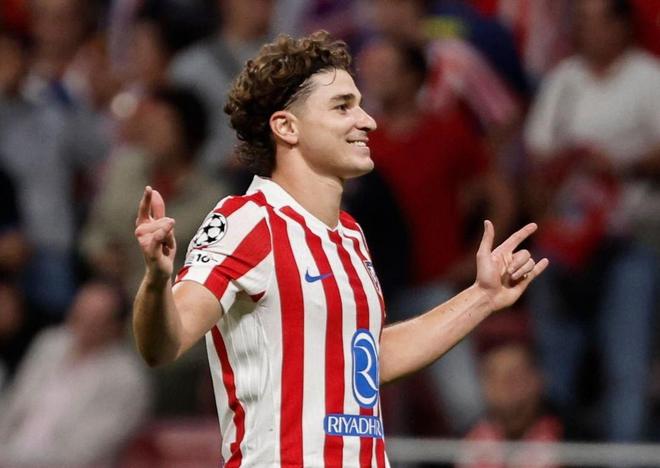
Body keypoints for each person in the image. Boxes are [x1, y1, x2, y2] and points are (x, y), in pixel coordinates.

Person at [132, 31, 547, 466]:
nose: (367, 121)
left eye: (360, 104)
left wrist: (482, 298)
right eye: (343, 107)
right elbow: (164, 344)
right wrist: (157, 280)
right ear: (286, 127)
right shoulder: (247, 222)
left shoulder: (349, 234)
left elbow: (368, 359)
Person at [524, 0, 660, 441]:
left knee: (626, 364)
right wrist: (570, 165)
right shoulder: (564, 80)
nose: (591, 31)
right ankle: (551, 454)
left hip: (630, 240)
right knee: (555, 360)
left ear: (623, 26)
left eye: (602, 21)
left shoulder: (648, 78)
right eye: (583, 22)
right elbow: (537, 153)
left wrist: (619, 164)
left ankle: (624, 459)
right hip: (567, 242)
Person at [0, 280, 150, 467]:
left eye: (95, 319)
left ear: (115, 326)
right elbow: (13, 405)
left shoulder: (127, 379)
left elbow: (84, 452)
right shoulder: (50, 343)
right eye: (79, 313)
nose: (83, 323)